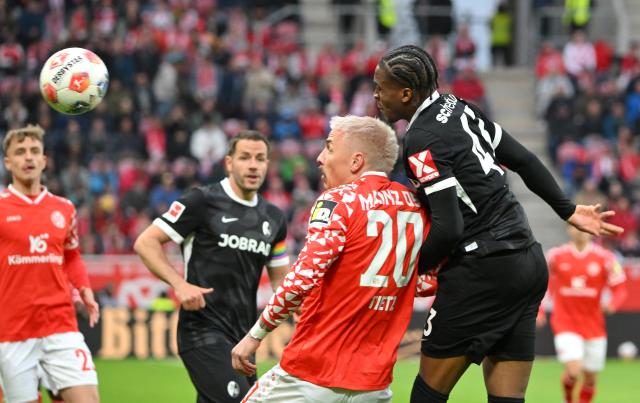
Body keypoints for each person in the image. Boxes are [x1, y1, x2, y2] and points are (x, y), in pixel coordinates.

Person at [372, 45, 624, 403]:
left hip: (481, 268)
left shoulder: (420, 140)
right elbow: (523, 159)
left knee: (428, 392)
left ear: (407, 93)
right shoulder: (458, 108)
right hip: (527, 260)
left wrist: (410, 272)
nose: (376, 95)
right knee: (507, 398)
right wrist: (566, 208)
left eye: (381, 87)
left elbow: (450, 228)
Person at [231, 115, 437, 402]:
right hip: (374, 385)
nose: (319, 157)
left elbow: (303, 275)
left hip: (311, 373)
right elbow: (426, 282)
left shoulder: (339, 200)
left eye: (329, 147)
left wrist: (255, 334)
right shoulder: (416, 206)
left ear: (356, 162)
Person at [134, 130, 290, 403]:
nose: (253, 165)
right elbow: (146, 242)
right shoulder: (201, 201)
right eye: (245, 158)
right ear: (229, 163)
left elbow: (280, 281)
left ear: (267, 164)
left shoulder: (274, 218)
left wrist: (299, 306)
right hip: (202, 330)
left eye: (260, 158)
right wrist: (179, 285)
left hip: (244, 338)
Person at [0, 124, 100, 403]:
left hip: (61, 326)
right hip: (13, 332)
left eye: (34, 151)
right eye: (20, 152)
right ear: (8, 162)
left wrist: (84, 289)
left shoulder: (64, 208)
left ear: (44, 160)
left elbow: (71, 255)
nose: (28, 157)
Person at [538, 226, 627, 403]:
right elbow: (541, 284)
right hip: (565, 322)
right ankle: (569, 399)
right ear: (569, 229)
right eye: (576, 226)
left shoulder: (606, 258)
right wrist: (539, 310)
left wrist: (612, 305)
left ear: (593, 231)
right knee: (573, 370)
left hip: (594, 326)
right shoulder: (555, 256)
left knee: (590, 378)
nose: (580, 231)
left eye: (585, 228)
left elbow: (621, 288)